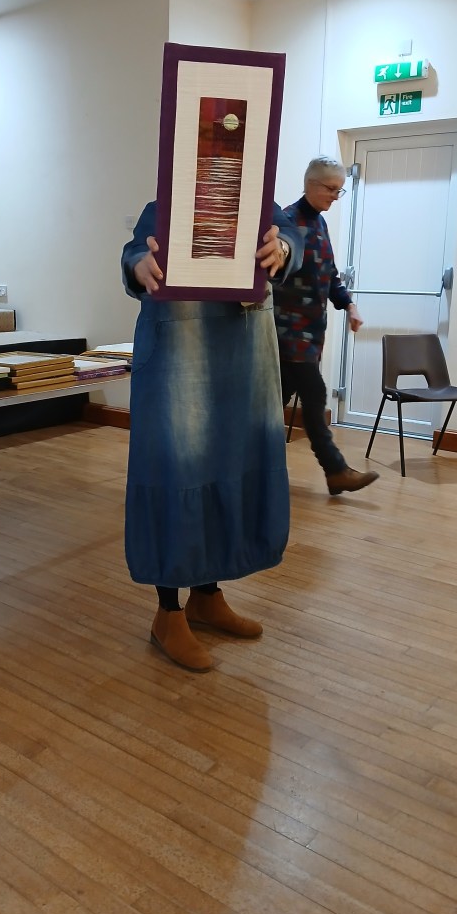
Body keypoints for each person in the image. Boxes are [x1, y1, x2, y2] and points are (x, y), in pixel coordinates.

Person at [121, 202, 304, 672]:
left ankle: (206, 597)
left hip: (242, 353)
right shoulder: (166, 205)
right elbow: (136, 252)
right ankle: (168, 613)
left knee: (226, 466)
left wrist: (283, 248)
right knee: (178, 471)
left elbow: (290, 236)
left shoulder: (261, 204)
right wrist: (140, 266)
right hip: (178, 352)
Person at [273, 156, 379, 496]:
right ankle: (336, 471)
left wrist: (349, 305)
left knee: (272, 408)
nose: (336, 196)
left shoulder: (319, 223)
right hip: (288, 335)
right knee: (315, 398)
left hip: (311, 335)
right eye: (331, 189)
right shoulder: (287, 223)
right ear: (310, 184)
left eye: (339, 190)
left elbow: (329, 275)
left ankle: (252, 470)